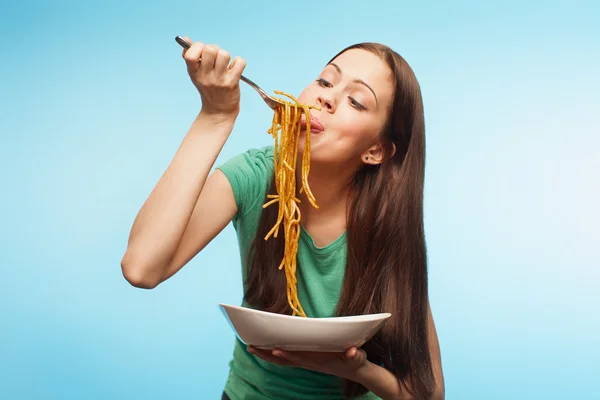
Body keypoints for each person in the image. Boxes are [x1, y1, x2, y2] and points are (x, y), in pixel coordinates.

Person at [121, 36, 445, 400]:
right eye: (325, 81)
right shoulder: (255, 175)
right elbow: (141, 268)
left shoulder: (386, 221)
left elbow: (427, 394)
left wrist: (358, 371)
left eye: (356, 100)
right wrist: (215, 117)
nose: (326, 97)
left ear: (376, 150)